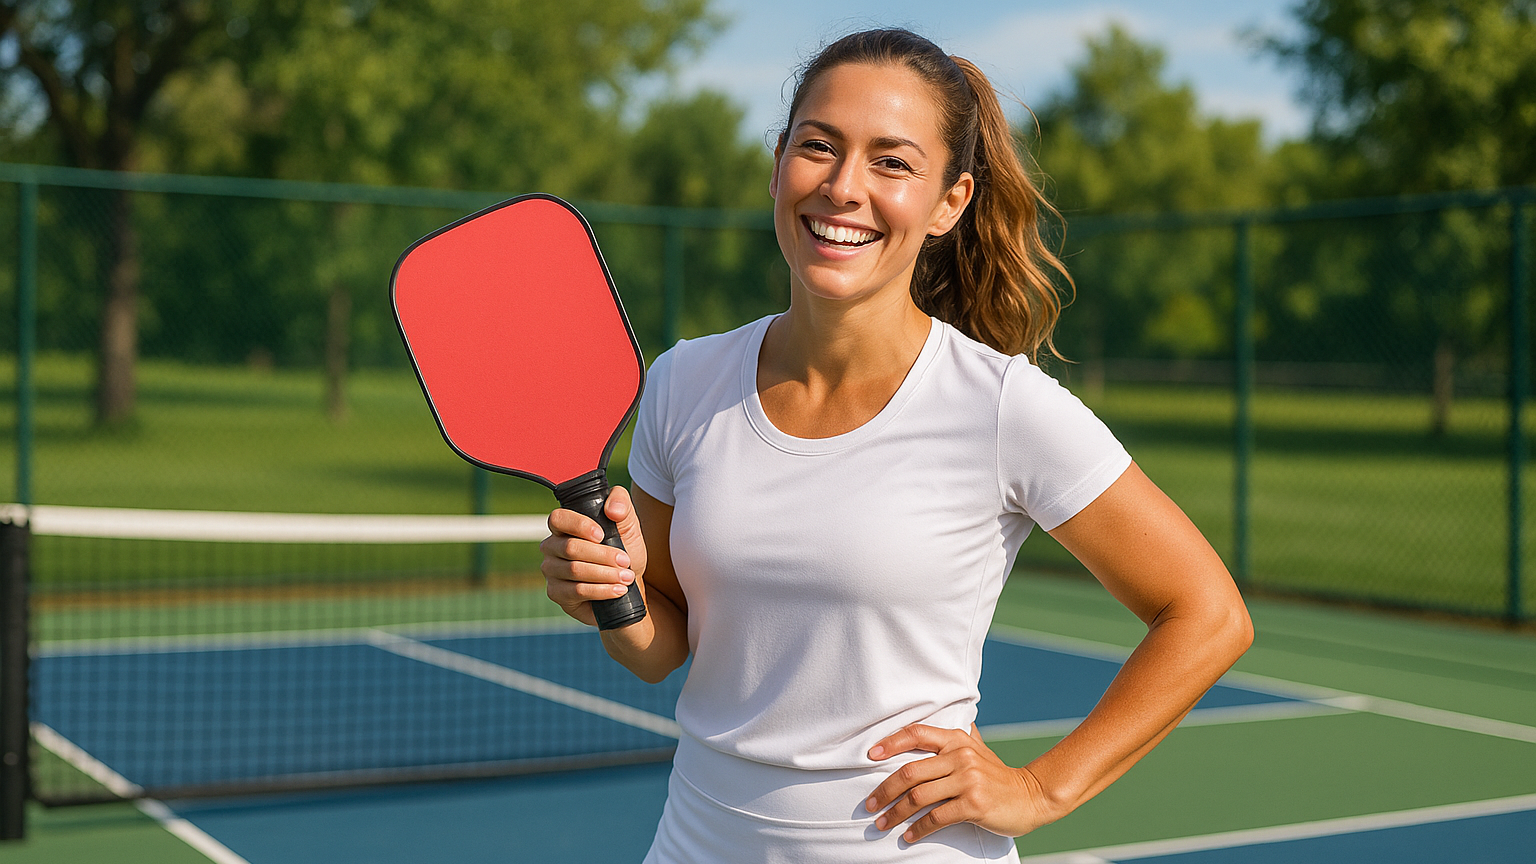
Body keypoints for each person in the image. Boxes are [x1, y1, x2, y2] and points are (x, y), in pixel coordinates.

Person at [541, 27, 1252, 864]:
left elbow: (1208, 615)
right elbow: (664, 646)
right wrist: (611, 593)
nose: (844, 188)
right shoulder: (684, 381)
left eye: (892, 162)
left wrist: (1041, 789)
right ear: (778, 164)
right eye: (819, 147)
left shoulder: (1001, 407)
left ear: (950, 202)